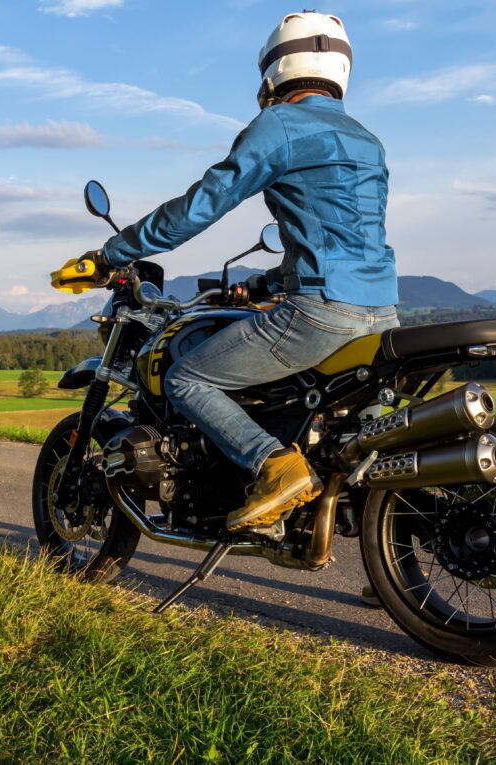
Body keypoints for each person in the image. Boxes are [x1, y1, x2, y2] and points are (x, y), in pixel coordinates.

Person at [82, 11, 400, 535]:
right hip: (382, 314)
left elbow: (200, 206)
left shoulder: (279, 125)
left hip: (321, 315)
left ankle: (274, 467)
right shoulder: (367, 140)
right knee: (353, 435)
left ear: (277, 69)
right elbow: (345, 240)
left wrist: (114, 252)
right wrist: (263, 285)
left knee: (189, 377)